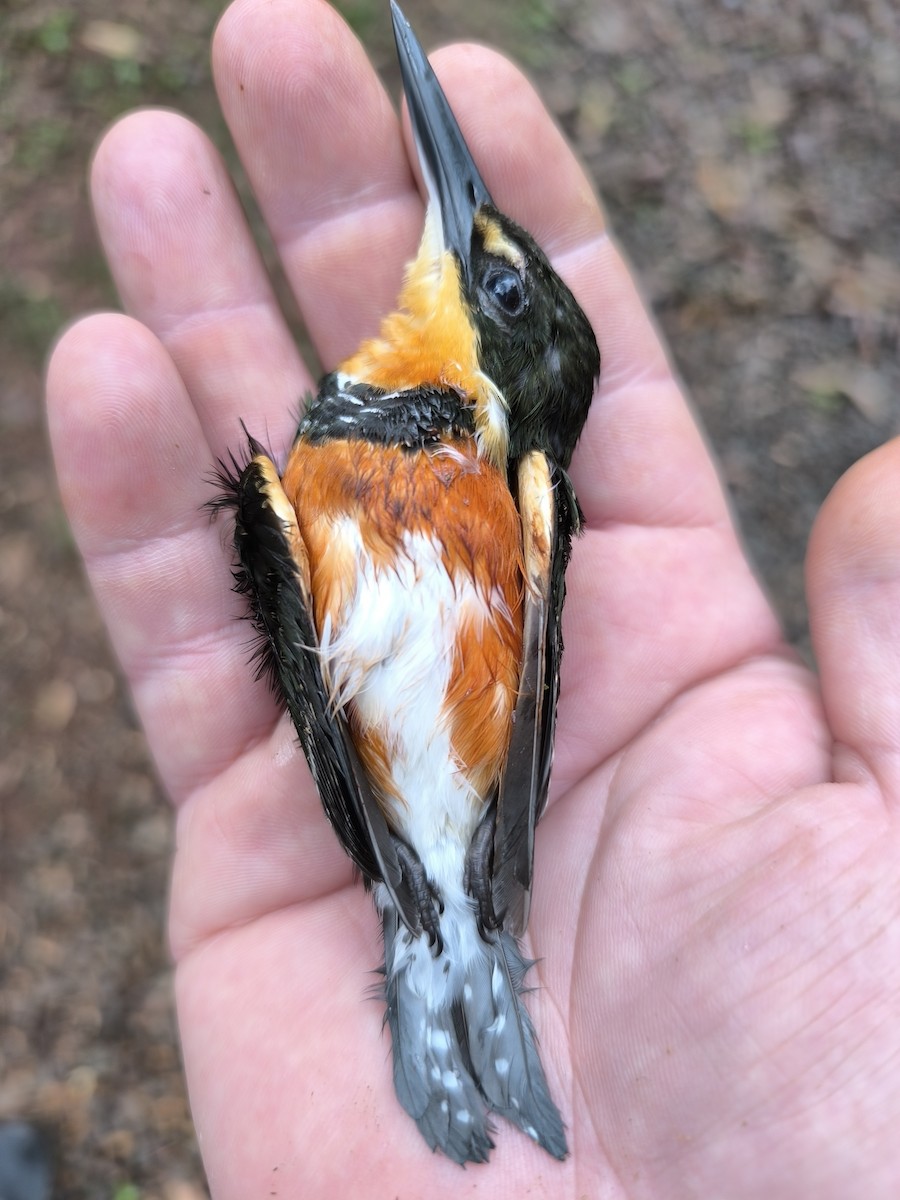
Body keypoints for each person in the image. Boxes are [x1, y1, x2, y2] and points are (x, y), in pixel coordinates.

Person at [44, 1, 900, 1195]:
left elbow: (523, 693)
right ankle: (444, 948)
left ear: (501, 374)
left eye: (491, 286)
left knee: (449, 911)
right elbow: (317, 700)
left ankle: (453, 951)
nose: (453, 238)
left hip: (455, 794)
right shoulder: (302, 480)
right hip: (404, 797)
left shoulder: (522, 495)